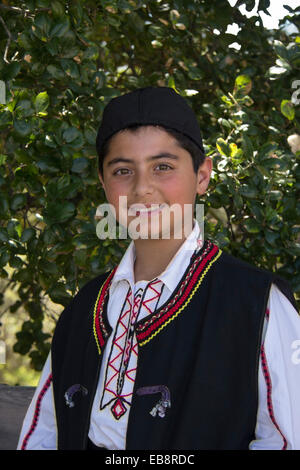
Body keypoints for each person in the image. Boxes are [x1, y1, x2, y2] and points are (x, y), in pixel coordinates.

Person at [17, 87, 300, 450]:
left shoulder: (258, 305)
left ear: (202, 175)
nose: (142, 188)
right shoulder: (82, 310)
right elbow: (43, 433)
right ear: (103, 184)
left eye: (162, 167)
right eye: (122, 170)